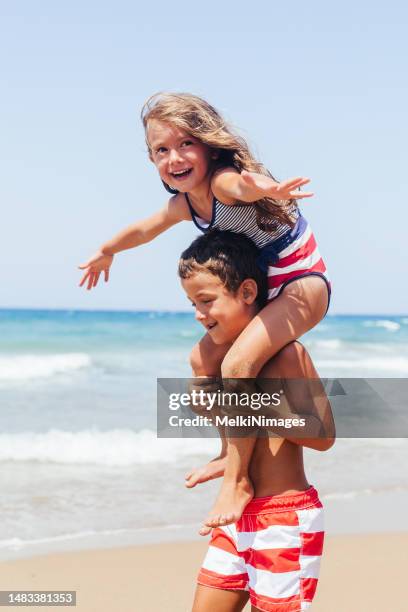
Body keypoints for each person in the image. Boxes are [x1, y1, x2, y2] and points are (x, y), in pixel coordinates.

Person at [78, 92, 331, 531]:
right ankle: (229, 449)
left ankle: (237, 482)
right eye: (161, 150)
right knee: (203, 361)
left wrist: (265, 187)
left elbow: (241, 187)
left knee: (237, 363)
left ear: (209, 146)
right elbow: (144, 229)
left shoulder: (220, 182)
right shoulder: (184, 205)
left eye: (185, 144)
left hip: (300, 282)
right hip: (264, 286)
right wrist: (106, 250)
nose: (173, 157)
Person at [177, 230, 335, 612]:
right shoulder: (214, 360)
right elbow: (231, 425)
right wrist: (223, 453)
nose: (199, 314)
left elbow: (324, 435)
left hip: (284, 517)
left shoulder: (287, 356)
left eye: (207, 301)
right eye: (192, 303)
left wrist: (259, 406)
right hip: (235, 517)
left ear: (248, 293)